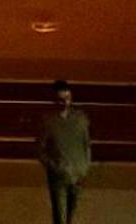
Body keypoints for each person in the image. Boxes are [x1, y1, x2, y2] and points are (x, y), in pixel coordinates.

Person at [35, 80, 92, 224]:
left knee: (70, 213)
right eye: (61, 100)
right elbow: (39, 150)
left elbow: (87, 144)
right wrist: (55, 167)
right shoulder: (48, 122)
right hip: (59, 175)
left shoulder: (81, 119)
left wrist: (84, 167)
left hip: (77, 174)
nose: (65, 103)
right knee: (60, 216)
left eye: (67, 99)